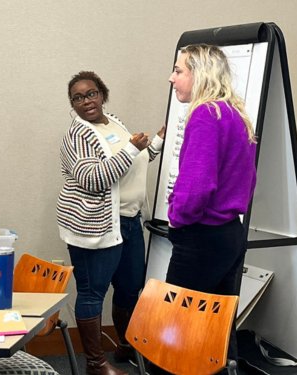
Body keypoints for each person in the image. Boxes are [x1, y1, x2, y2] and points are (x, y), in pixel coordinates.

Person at [155, 44, 257, 374]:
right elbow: (248, 180)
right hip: (229, 234)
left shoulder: (205, 114)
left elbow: (196, 186)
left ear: (199, 74)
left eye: (179, 70)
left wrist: (177, 219)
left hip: (201, 238)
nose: (172, 78)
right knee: (216, 334)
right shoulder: (234, 113)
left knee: (173, 336)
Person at [57, 71, 164, 375]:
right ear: (73, 105)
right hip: (95, 225)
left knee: (130, 289)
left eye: (91, 93)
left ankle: (125, 345)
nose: (86, 101)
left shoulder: (113, 123)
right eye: (77, 98)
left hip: (129, 221)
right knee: (93, 292)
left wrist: (156, 141)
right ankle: (95, 363)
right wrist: (131, 148)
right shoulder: (76, 136)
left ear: (102, 94)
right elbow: (93, 178)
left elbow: (134, 162)